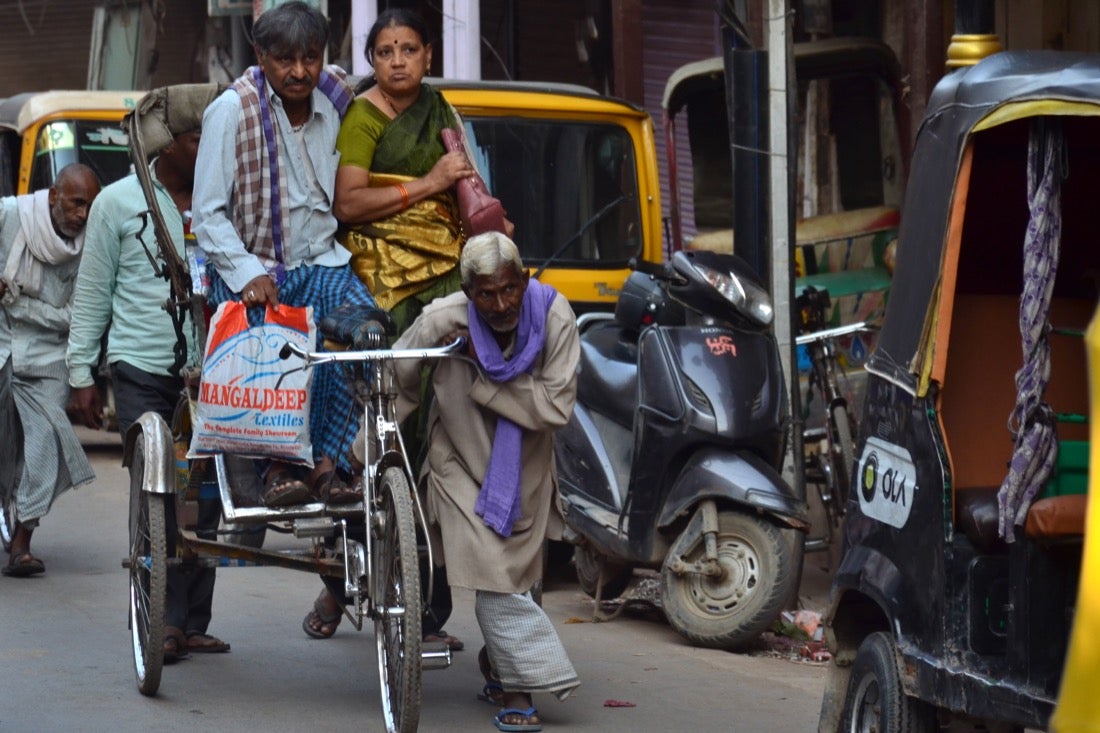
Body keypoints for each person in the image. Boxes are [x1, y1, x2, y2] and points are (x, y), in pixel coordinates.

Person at [300, 6, 477, 652]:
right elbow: (348, 203)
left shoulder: (442, 112)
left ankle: (429, 607)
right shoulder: (364, 117)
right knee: (378, 443)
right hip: (379, 288)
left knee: (442, 443)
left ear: (428, 56)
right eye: (385, 51)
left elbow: (468, 188)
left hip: (445, 285)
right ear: (372, 60)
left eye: (409, 49)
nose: (398, 60)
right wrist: (428, 183)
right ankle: (340, 579)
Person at [375, 232, 581, 731]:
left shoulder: (555, 318)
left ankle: (498, 664)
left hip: (528, 470)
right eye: (485, 294)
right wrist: (368, 454)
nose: (500, 304)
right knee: (496, 572)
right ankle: (522, 687)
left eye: (508, 289)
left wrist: (485, 379)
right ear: (469, 292)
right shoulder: (442, 321)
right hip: (458, 464)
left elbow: (556, 405)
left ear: (524, 279)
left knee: (521, 579)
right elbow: (392, 378)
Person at [191, 0, 377, 507]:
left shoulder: (339, 98)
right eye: (285, 60)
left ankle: (329, 462)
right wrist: (247, 271)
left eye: (310, 57)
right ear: (261, 54)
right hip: (258, 264)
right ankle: (277, 464)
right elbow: (208, 215)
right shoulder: (232, 110)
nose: (300, 72)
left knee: (364, 333)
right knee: (272, 344)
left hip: (324, 261)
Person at [68, 85, 231, 661]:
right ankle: (161, 616)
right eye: (198, 138)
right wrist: (81, 371)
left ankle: (193, 621)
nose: (212, 147)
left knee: (206, 495)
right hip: (139, 364)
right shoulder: (118, 202)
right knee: (157, 492)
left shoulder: (224, 199)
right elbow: (93, 290)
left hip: (213, 368)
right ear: (171, 143)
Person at [0, 163, 99, 577]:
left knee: (46, 439)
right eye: (77, 204)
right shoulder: (10, 215)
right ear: (54, 196)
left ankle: (23, 540)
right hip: (3, 346)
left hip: (50, 358)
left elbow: (78, 317)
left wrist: (15, 299)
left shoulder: (93, 244)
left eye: (91, 206)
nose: (83, 215)